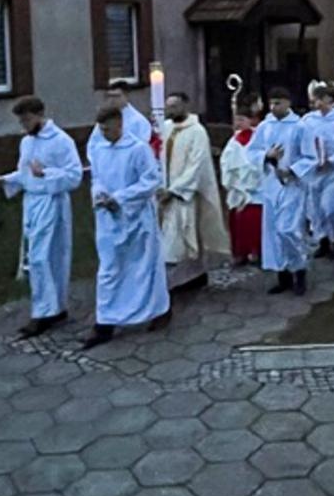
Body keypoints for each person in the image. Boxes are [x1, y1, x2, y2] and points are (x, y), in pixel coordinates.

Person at [0, 96, 83, 337]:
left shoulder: (62, 141)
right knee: (40, 258)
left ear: (40, 114)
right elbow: (25, 173)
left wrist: (47, 174)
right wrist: (7, 180)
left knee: (43, 258)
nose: (23, 125)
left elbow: (75, 176)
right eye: (21, 121)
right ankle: (56, 308)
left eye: (27, 119)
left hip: (52, 204)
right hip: (32, 203)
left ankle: (43, 313)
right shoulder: (26, 143)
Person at [83, 104, 171, 349]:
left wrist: (120, 198)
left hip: (137, 218)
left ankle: (158, 310)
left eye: (108, 129)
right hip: (109, 220)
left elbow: (152, 180)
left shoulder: (138, 149)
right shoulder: (100, 149)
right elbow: (97, 177)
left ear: (120, 125)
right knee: (109, 270)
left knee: (144, 268)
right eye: (100, 129)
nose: (104, 133)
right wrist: (99, 195)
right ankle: (105, 322)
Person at [248, 87, 315, 295]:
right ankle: (283, 275)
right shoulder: (264, 127)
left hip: (292, 186)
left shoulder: (300, 127)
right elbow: (251, 151)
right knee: (274, 232)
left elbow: (310, 157)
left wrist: (292, 170)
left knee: (289, 230)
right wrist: (266, 155)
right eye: (271, 103)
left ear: (288, 103)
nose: (274, 107)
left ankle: (299, 270)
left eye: (278, 102)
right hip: (270, 185)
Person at [160, 92, 230, 290]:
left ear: (185, 106)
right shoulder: (165, 128)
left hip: (186, 192)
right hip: (166, 189)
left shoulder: (197, 131)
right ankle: (192, 275)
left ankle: (171, 283)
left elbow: (196, 164)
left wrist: (175, 190)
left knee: (181, 238)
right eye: (168, 106)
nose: (170, 110)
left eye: (174, 106)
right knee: (178, 237)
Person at [301, 85, 334, 258]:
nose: (317, 103)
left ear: (329, 101)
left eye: (320, 99)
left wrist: (333, 159)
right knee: (315, 208)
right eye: (315, 100)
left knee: (329, 206)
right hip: (315, 172)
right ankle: (322, 240)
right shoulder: (308, 121)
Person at [219, 98, 263, 265]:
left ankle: (257, 251)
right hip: (237, 186)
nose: (238, 123)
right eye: (236, 119)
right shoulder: (233, 140)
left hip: (253, 187)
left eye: (242, 119)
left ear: (250, 120)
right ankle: (240, 253)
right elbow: (226, 160)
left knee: (254, 223)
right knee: (237, 223)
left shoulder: (258, 137)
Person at [87, 80, 152, 165]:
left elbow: (142, 148)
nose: (112, 100)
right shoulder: (105, 119)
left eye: (116, 96)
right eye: (109, 96)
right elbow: (93, 145)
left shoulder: (139, 121)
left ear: (126, 96)